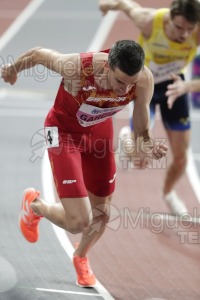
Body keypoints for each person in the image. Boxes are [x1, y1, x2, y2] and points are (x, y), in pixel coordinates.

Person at [1, 40, 167, 287]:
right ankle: (35, 206)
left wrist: (147, 144)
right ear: (108, 66)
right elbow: (37, 54)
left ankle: (80, 257)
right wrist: (13, 69)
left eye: (130, 84)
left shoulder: (143, 79)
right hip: (63, 133)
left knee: (102, 214)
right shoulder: (76, 67)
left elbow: (141, 130)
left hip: (98, 134)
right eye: (120, 82)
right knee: (79, 221)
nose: (124, 91)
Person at [99, 0, 200, 215]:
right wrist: (108, 4)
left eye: (190, 29)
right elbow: (126, 5)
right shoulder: (149, 21)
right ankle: (128, 135)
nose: (184, 35)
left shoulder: (197, 32)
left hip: (175, 85)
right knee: (140, 160)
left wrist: (188, 86)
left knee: (182, 156)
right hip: (145, 87)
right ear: (169, 18)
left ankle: (169, 194)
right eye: (179, 27)